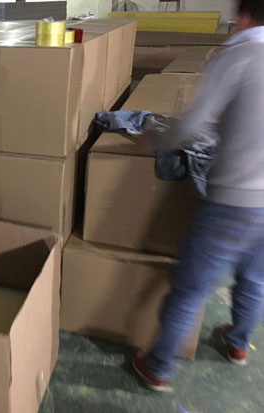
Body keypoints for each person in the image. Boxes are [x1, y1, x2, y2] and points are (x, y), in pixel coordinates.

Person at [132, 0, 264, 392]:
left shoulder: (239, 56)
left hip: (236, 201)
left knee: (190, 286)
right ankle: (237, 343)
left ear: (243, 17)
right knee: (255, 277)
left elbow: (189, 126)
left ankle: (157, 367)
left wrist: (153, 139)